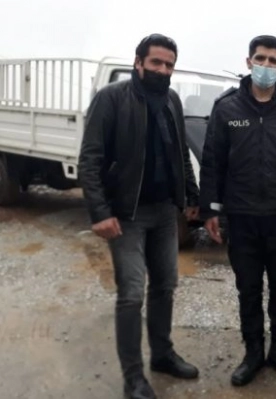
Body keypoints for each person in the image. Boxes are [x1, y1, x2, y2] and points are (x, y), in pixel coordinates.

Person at [78, 34, 200, 399]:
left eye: (169, 65)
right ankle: (133, 377)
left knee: (165, 286)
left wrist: (190, 196)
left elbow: (180, 154)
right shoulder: (111, 99)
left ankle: (162, 356)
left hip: (165, 212)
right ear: (138, 62)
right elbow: (90, 159)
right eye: (156, 63)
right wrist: (100, 212)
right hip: (126, 214)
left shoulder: (172, 101)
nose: (163, 70)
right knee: (131, 295)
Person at [199, 35, 276, 387]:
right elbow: (212, 163)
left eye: (273, 61)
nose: (266, 66)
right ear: (248, 61)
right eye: (260, 58)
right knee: (248, 289)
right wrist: (210, 210)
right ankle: (253, 352)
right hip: (241, 219)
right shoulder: (227, 108)